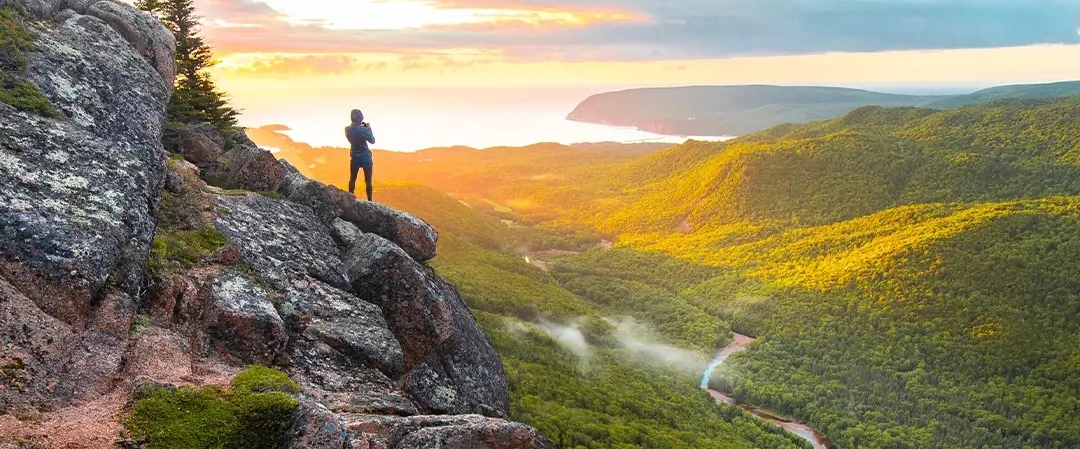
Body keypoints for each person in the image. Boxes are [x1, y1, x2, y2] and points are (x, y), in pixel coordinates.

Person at [345, 109, 375, 201]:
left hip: (354, 156)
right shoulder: (364, 130)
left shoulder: (347, 129)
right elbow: (372, 141)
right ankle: (370, 201)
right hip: (365, 157)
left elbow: (354, 131)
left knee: (352, 178)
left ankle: (350, 197)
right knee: (368, 181)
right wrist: (369, 129)